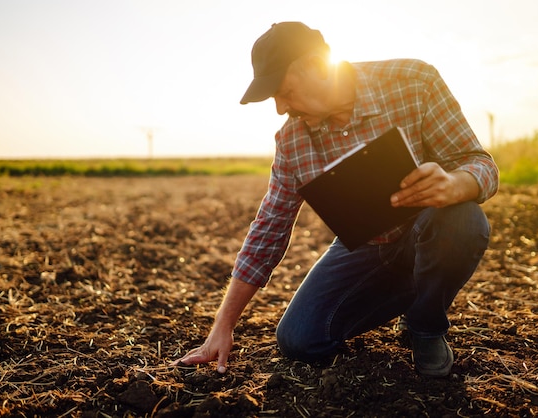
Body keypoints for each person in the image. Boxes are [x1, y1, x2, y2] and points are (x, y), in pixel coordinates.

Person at [175, 22, 499, 377]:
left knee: (464, 220)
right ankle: (413, 290)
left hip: (431, 227)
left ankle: (424, 323)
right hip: (364, 246)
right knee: (298, 341)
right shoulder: (292, 141)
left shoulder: (413, 82)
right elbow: (268, 229)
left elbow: (479, 162)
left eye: (285, 91)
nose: (281, 108)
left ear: (316, 65)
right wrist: (222, 326)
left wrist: (457, 183)